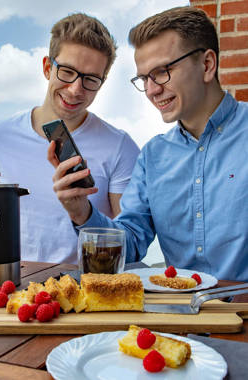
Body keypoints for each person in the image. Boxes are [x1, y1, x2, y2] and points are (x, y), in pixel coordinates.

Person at [48, 6, 248, 281]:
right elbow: (129, 246)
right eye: (144, 78)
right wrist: (81, 212)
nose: (152, 90)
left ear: (207, 65)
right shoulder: (153, 156)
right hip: (179, 319)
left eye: (163, 71)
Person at [0, 13, 140, 264]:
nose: (76, 90)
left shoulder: (121, 147)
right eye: (67, 72)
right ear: (47, 68)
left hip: (85, 291)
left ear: (102, 83)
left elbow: (129, 246)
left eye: (90, 79)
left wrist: (83, 212)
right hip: (12, 288)